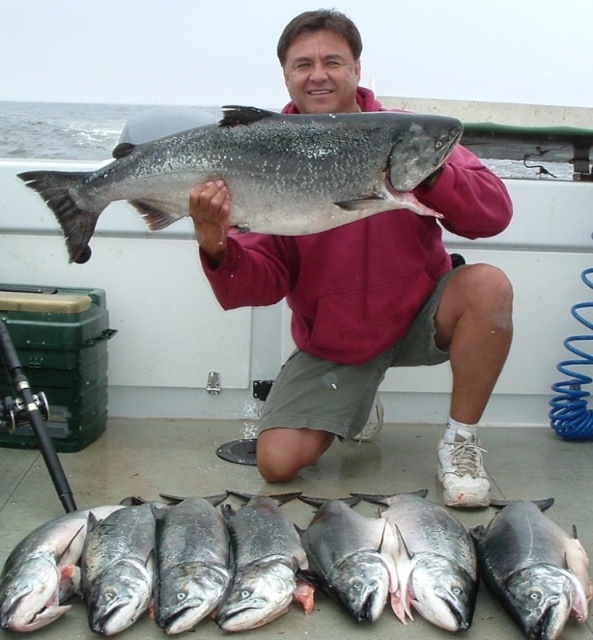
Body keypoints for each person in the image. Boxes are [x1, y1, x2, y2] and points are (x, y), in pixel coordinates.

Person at [189, 10, 513, 508]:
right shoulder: (261, 152)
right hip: (338, 340)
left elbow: (493, 213)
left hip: (419, 312)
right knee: (276, 463)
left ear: (357, 70)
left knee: (488, 286)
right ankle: (357, 400)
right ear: (286, 76)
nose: (318, 74)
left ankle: (461, 442)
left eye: (332, 61)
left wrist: (424, 174)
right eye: (303, 64)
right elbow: (257, 286)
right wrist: (214, 241)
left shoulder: (408, 135)